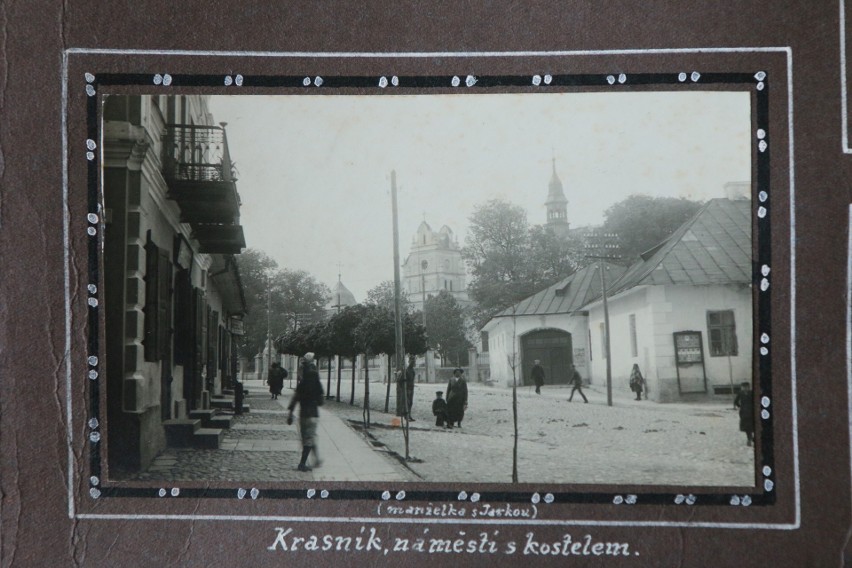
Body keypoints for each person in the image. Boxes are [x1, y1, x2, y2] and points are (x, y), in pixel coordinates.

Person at [287, 361, 325, 472]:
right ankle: (302, 463)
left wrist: (290, 414)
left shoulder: (302, 384)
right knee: (310, 438)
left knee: (307, 438)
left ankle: (316, 459)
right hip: (313, 415)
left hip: (303, 416)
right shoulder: (317, 385)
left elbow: (294, 399)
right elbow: (321, 402)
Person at [733, 381, 755, 447]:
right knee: (746, 427)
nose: (745, 388)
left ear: (749, 387)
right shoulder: (740, 393)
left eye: (747, 387)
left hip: (752, 411)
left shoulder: (752, 393)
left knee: (753, 425)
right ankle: (749, 438)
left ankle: (752, 438)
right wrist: (740, 407)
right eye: (744, 387)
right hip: (744, 412)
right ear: (742, 388)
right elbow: (736, 401)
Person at [405, 355, 417, 421]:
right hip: (407, 388)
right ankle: (406, 415)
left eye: (414, 361)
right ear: (409, 361)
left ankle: (409, 415)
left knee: (411, 402)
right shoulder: (407, 370)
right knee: (407, 402)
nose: (413, 363)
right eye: (412, 361)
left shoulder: (412, 370)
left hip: (411, 388)